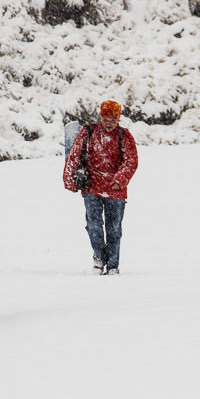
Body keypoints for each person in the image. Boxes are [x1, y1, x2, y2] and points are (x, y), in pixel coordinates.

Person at [62, 100, 138, 275]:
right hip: (92, 187)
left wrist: (120, 179)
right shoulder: (88, 132)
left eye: (112, 120)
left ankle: (112, 265)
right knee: (93, 226)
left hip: (116, 190)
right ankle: (98, 258)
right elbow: (74, 155)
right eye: (105, 119)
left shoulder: (124, 136)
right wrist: (69, 179)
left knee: (114, 229)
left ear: (118, 119)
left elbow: (131, 160)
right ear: (100, 117)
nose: (108, 124)